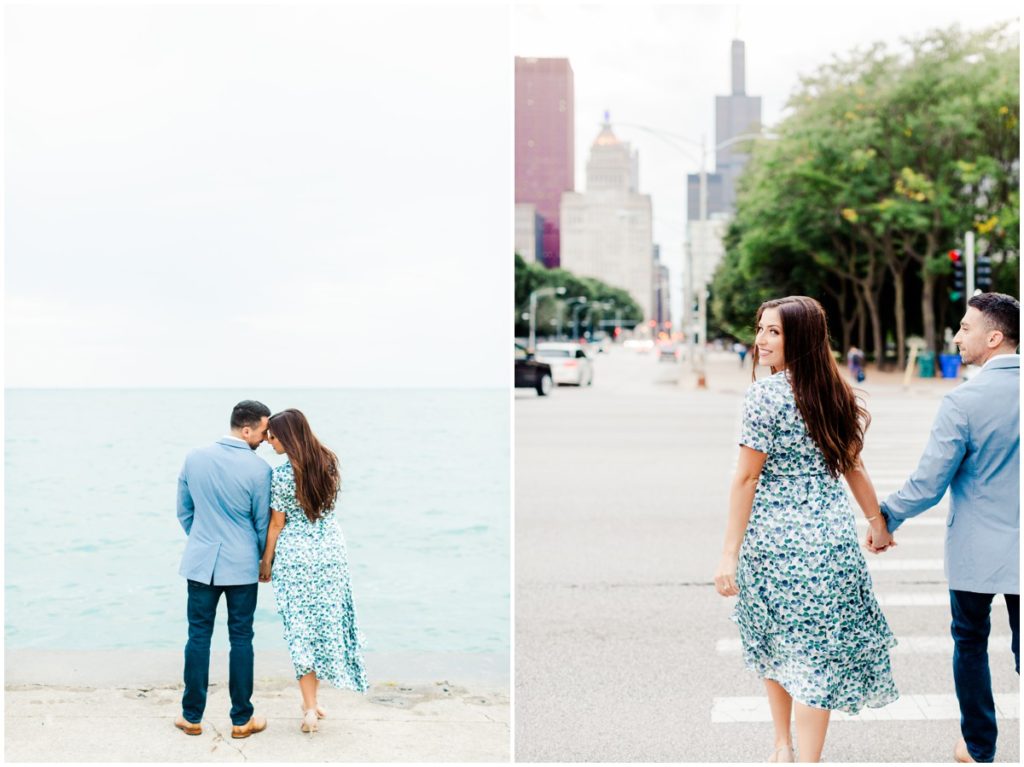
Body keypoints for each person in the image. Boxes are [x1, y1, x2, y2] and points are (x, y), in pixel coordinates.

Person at [714, 296, 898, 763]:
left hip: (775, 543)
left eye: (773, 331)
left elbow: (746, 477)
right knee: (817, 653)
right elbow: (853, 466)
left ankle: (783, 747)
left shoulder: (764, 396)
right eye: (760, 328)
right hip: (830, 541)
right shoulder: (838, 391)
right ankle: (804, 756)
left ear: (802, 337)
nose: (760, 340)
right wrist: (876, 524)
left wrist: (728, 555)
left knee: (775, 641)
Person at [872, 292, 1019, 763]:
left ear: (993, 337)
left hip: (978, 553)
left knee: (971, 643)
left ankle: (979, 747)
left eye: (965, 328)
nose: (957, 337)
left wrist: (885, 518)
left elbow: (929, 482)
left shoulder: (964, 402)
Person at [260, 408, 369, 734]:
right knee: (322, 627)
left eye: (273, 436)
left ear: (288, 436)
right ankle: (313, 702)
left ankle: (309, 708)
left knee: (300, 631)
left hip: (296, 558)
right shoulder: (328, 461)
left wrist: (266, 561)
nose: (269, 442)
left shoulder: (280, 474)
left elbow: (277, 524)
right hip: (330, 553)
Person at [175, 400, 272, 739]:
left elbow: (184, 512)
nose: (264, 439)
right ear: (246, 430)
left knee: (197, 636)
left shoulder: (194, 457)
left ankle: (191, 717)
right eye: (262, 432)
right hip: (242, 565)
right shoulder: (260, 470)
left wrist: (202, 540)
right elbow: (262, 524)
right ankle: (241, 720)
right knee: (241, 638)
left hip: (201, 563)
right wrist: (262, 559)